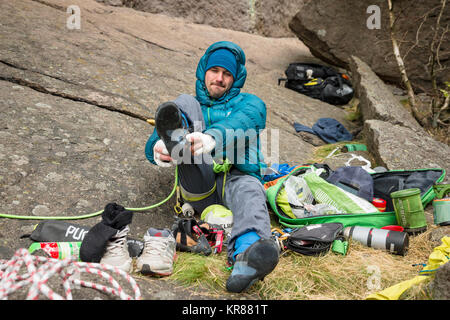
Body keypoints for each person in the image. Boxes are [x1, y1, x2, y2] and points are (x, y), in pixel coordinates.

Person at [144, 41, 279, 293]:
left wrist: (212, 138)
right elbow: (154, 138)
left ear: (235, 78)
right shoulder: (191, 105)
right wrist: (156, 148)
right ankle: (174, 139)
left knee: (251, 187)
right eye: (214, 70)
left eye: (227, 73)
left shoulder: (250, 104)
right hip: (200, 185)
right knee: (184, 103)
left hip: (237, 181)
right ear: (203, 71)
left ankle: (247, 257)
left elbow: (246, 120)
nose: (220, 78)